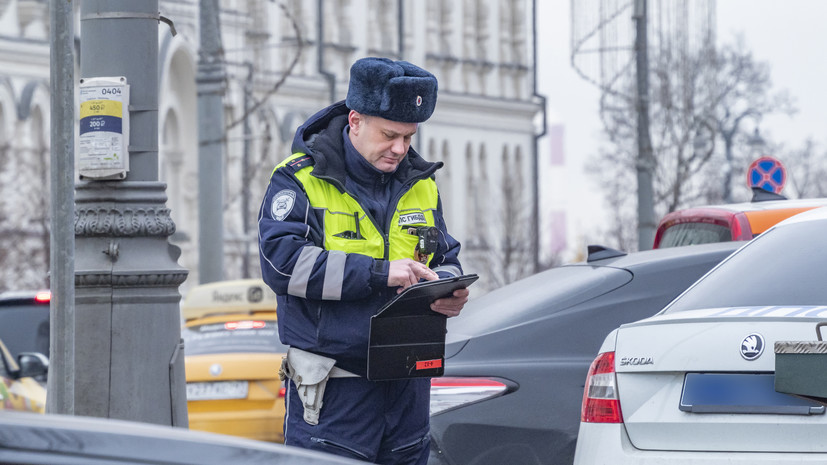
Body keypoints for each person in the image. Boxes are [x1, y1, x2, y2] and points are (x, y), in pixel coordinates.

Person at [258, 57, 469, 464]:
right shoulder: (300, 178)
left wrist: (448, 286)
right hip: (336, 393)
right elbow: (284, 264)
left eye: (409, 137)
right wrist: (380, 273)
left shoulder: (420, 182)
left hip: (407, 387)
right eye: (389, 134)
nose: (400, 148)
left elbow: (447, 256)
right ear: (354, 120)